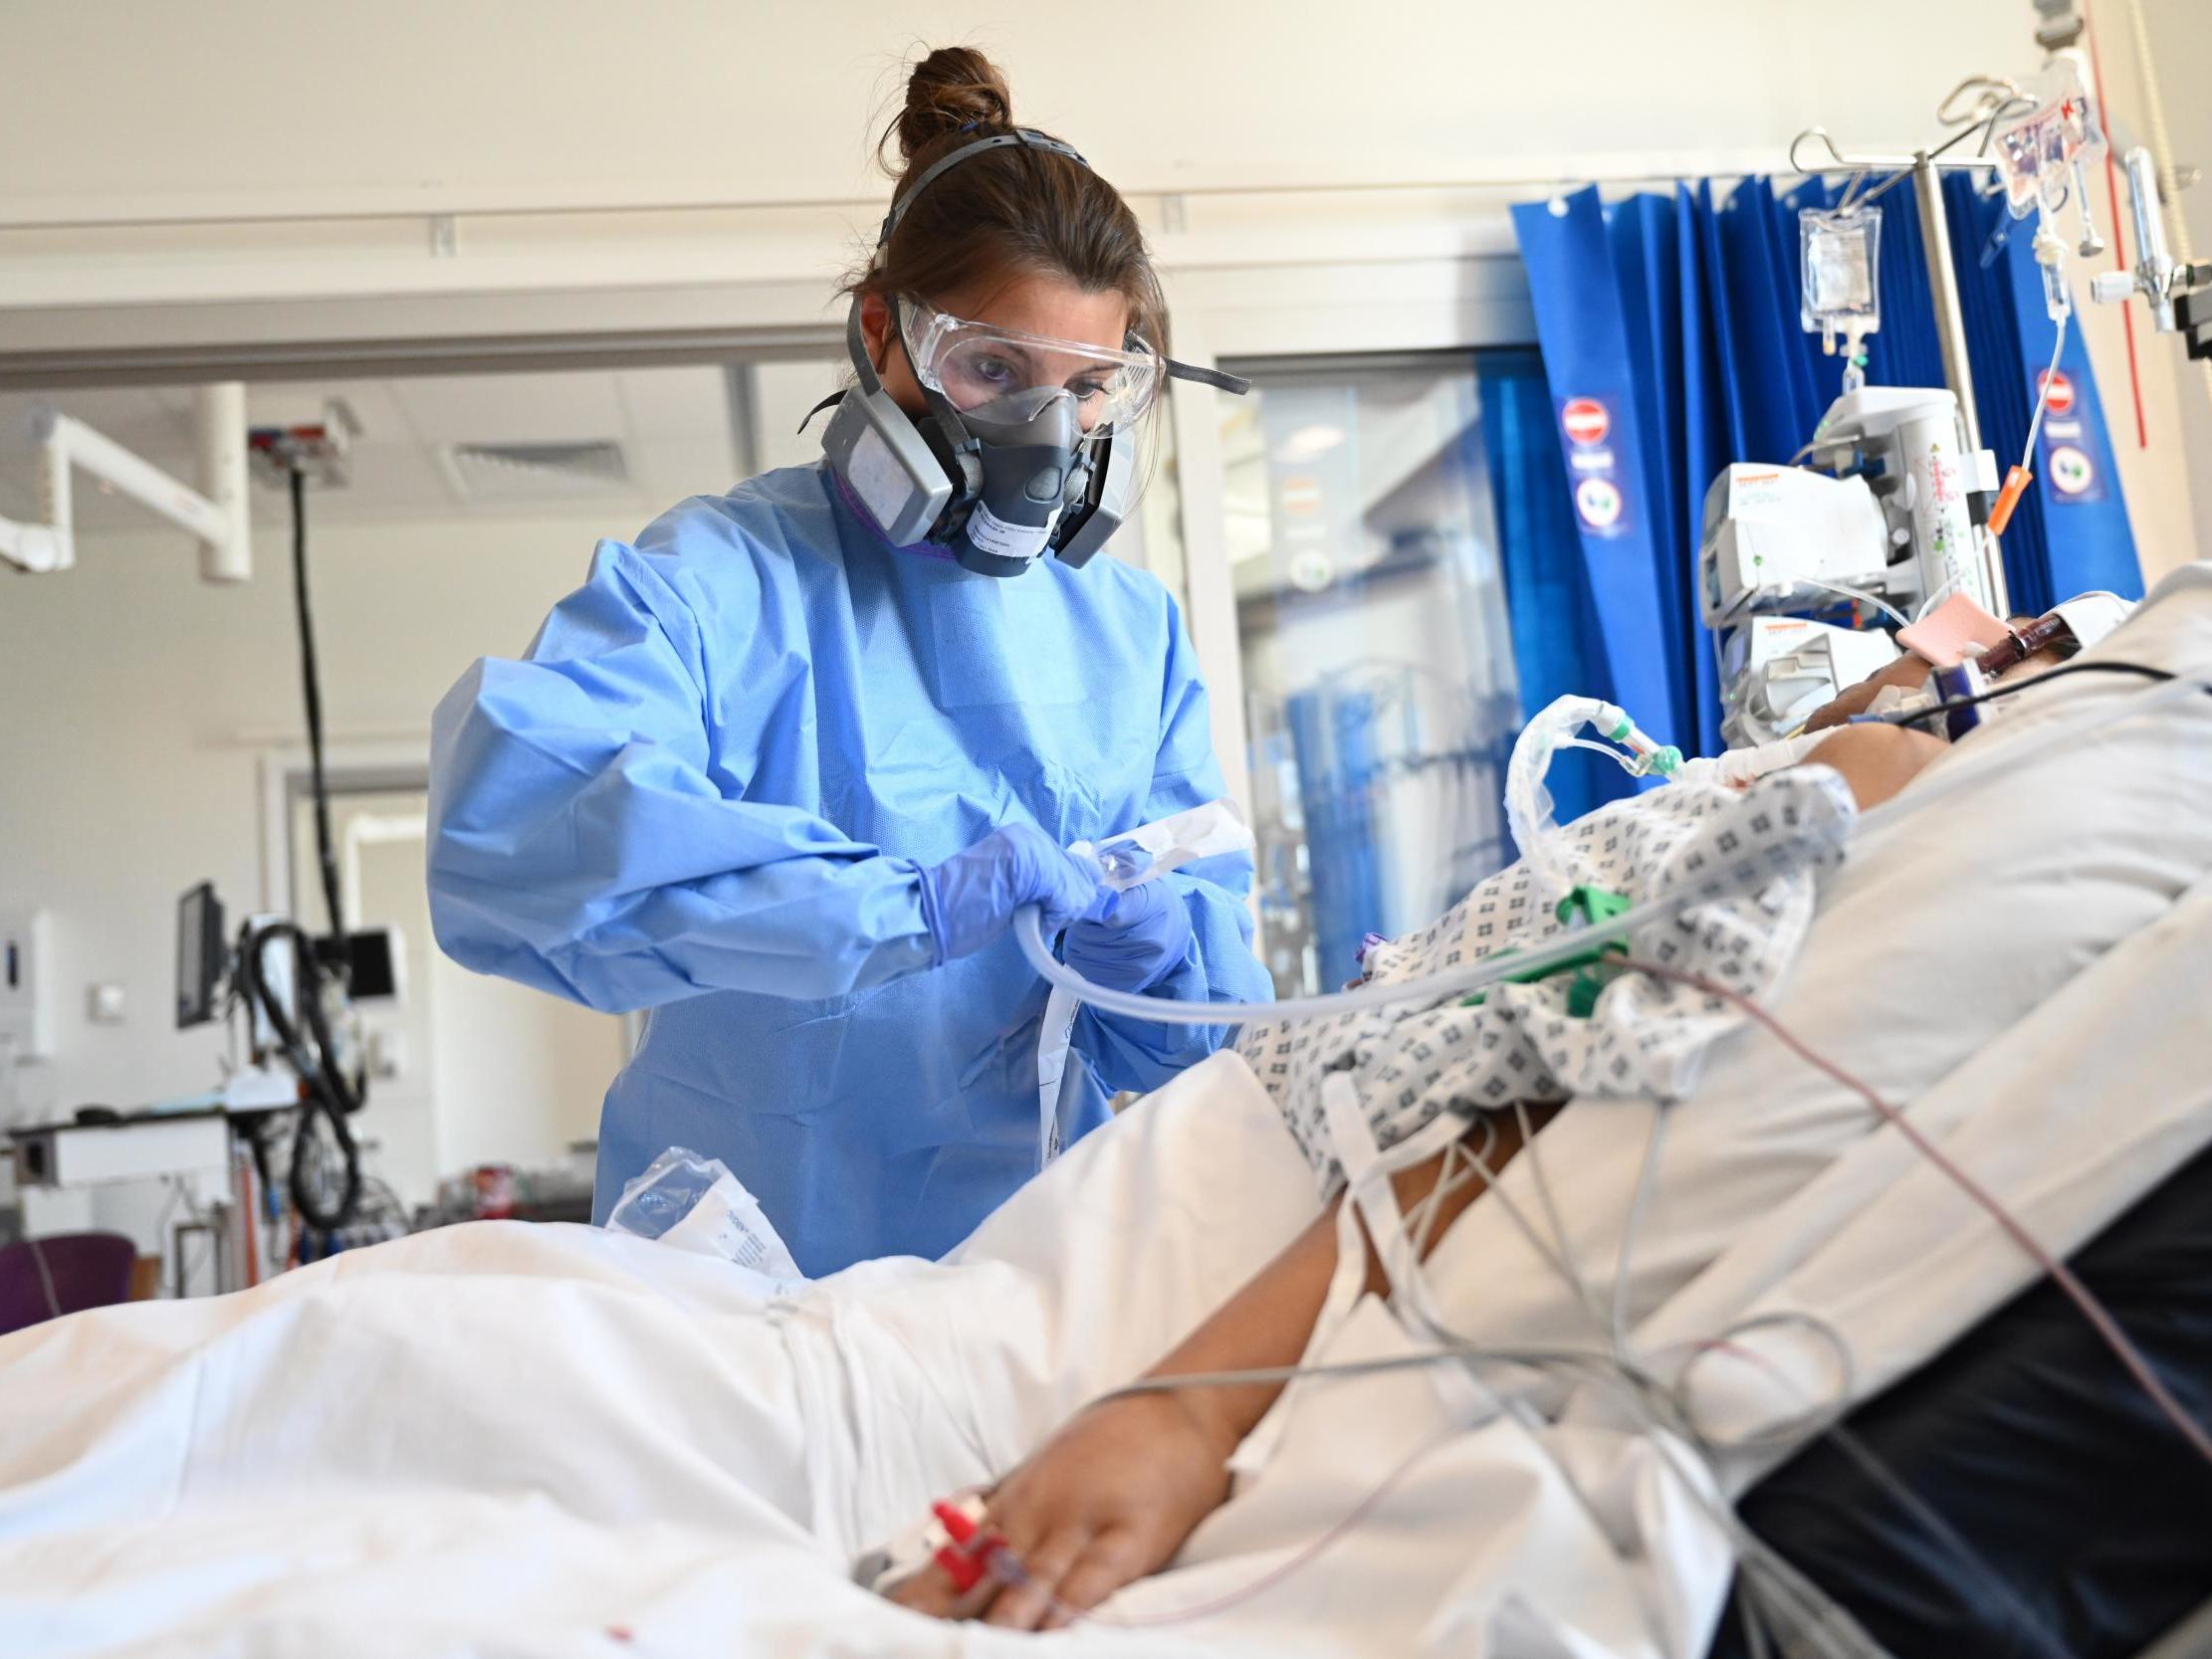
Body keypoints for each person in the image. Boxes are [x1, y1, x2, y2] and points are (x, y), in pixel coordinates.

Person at [425, 48, 1272, 1276]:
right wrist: (898, 911)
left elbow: (1206, 1046)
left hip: (1033, 1287)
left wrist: (1167, 968)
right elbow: (509, 829)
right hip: (740, 1278)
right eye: (991, 370)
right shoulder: (723, 580)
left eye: (1090, 390)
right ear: (884, 335)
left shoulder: (1129, 633)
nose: (1046, 443)